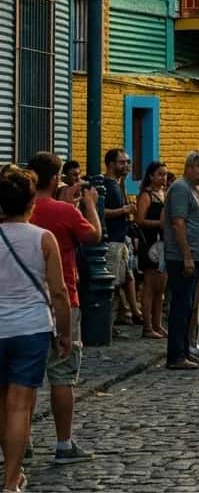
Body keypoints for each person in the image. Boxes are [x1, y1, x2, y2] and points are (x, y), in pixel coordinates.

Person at [0, 165, 72, 493]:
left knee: (3, 405)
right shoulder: (43, 239)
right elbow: (58, 292)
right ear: (32, 203)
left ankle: (12, 472)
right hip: (31, 328)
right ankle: (11, 481)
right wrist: (65, 333)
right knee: (20, 406)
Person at [27, 153, 100, 465]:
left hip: (26, 302)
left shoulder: (20, 212)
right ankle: (63, 443)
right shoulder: (64, 211)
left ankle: (22, 440)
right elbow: (94, 235)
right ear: (55, 178)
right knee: (61, 375)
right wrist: (90, 204)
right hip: (64, 298)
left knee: (25, 378)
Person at [163, 151, 199, 371]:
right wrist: (187, 255)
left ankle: (185, 350)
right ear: (189, 167)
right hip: (182, 257)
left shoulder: (195, 189)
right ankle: (176, 355)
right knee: (181, 306)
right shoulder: (181, 188)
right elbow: (178, 223)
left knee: (189, 305)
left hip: (196, 256)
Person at [102, 148, 141, 327]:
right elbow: (100, 211)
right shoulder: (105, 184)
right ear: (111, 164)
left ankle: (122, 316)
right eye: (122, 162)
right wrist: (123, 210)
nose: (127, 166)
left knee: (124, 279)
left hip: (121, 239)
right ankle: (106, 325)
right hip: (111, 241)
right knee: (111, 284)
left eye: (128, 162)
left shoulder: (118, 184)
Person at [136, 161, 168, 339]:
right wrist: (160, 224)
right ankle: (147, 325)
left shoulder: (164, 194)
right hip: (150, 243)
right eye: (160, 174)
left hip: (164, 242)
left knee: (161, 286)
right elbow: (140, 220)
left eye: (165, 174)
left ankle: (158, 323)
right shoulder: (146, 195)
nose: (163, 178)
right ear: (151, 176)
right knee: (150, 286)